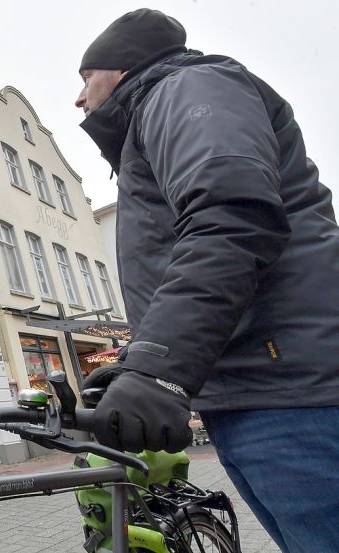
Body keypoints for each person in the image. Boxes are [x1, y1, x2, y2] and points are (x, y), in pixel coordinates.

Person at [74, 8, 339, 552]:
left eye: (85, 78)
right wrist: (135, 364)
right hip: (264, 389)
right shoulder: (160, 113)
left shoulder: (185, 86)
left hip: (296, 394)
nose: (78, 99)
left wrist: (157, 369)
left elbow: (230, 217)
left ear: (121, 68)